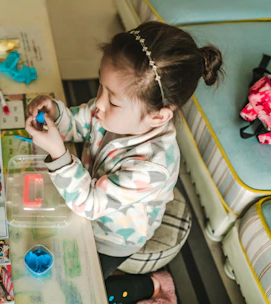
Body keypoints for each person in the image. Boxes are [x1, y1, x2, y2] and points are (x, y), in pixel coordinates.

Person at [25, 21, 223, 303]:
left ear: (158, 116)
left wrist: (59, 156)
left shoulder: (152, 168)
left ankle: (153, 285)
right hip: (89, 203)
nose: (98, 104)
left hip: (114, 237)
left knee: (81, 293)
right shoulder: (113, 111)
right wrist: (55, 112)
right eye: (100, 87)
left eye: (113, 100)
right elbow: (78, 124)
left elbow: (90, 204)